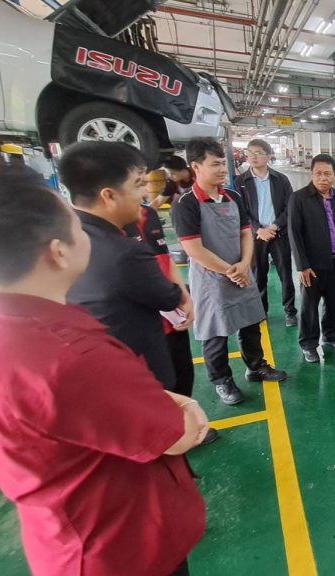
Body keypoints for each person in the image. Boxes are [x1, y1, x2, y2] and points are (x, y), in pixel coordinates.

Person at [0, 160, 208, 576]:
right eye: (76, 223)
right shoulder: (71, 358)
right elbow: (176, 434)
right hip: (125, 548)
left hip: (65, 538)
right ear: (58, 252)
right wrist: (187, 407)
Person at [61, 142, 191, 394]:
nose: (144, 194)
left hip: (99, 371)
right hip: (140, 373)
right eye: (138, 185)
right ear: (109, 196)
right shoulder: (124, 252)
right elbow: (167, 297)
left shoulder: (62, 240)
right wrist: (182, 293)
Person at [173, 138, 287, 405]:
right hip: (211, 279)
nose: (223, 169)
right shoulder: (186, 203)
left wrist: (245, 264)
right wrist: (230, 271)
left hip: (241, 272)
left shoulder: (233, 196)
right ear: (196, 166)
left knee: (250, 323)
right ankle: (222, 380)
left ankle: (256, 366)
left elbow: (246, 233)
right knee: (215, 332)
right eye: (215, 164)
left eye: (223, 163)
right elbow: (193, 249)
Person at [127, 168, 220, 445]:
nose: (145, 191)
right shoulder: (99, 235)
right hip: (144, 323)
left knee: (181, 372)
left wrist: (183, 297)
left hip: (172, 314)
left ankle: (184, 430)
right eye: (137, 184)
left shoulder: (148, 214)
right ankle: (166, 437)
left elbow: (165, 260)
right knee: (154, 382)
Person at [288, 153, 335, 363]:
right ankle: (308, 344)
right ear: (311, 174)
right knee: (309, 306)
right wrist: (302, 265)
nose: (323, 178)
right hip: (312, 265)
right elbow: (294, 233)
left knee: (333, 302)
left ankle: (332, 335)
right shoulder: (299, 199)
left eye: (327, 174)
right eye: (318, 173)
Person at [236, 139, 298, 326]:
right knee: (258, 275)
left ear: (268, 156)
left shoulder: (281, 180)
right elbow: (241, 211)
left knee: (285, 274)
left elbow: (289, 207)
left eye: (258, 153)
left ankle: (290, 311)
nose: (253, 157)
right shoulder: (241, 181)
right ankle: (261, 310)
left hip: (278, 235)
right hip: (255, 237)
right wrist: (259, 230)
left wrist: (274, 226)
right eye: (250, 153)